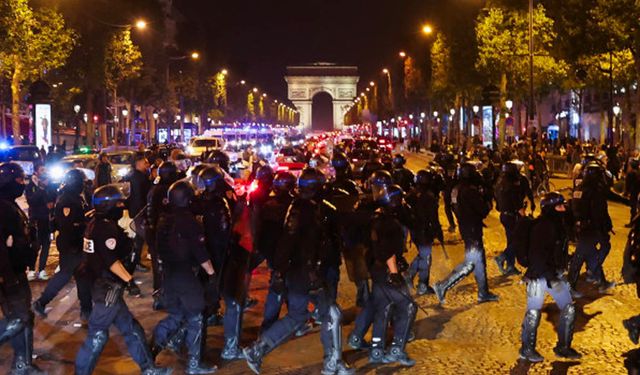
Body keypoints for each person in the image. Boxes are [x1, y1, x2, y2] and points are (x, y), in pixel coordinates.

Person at [243, 168, 354, 375]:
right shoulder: (310, 212)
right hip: (307, 274)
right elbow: (302, 245)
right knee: (332, 314)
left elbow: (287, 244)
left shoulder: (298, 208)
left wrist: (279, 272)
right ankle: (332, 362)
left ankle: (258, 349)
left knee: (297, 316)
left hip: (296, 274)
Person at [74, 184, 171, 375]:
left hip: (106, 286)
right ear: (109, 205)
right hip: (106, 288)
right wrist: (130, 281)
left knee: (131, 329)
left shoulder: (96, 223)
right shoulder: (105, 229)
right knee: (98, 335)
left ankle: (148, 368)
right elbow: (111, 262)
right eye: (118, 202)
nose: (121, 205)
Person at [151, 181, 217, 374]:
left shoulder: (164, 219)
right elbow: (200, 252)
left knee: (176, 316)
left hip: (168, 277)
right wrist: (212, 275)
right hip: (185, 276)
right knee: (196, 317)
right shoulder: (189, 221)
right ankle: (194, 365)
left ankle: (151, 350)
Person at [519, 192, 581, 362]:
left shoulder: (557, 226)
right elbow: (537, 256)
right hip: (538, 277)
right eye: (559, 206)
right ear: (550, 209)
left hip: (552, 275)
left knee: (569, 308)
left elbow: (555, 252)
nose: (563, 209)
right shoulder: (543, 227)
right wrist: (549, 277)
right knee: (533, 313)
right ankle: (526, 349)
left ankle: (563, 347)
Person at [0, 162, 45, 374]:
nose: (22, 184)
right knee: (19, 319)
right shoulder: (2, 207)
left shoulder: (10, 204)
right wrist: (7, 275)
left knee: (24, 317)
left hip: (17, 271)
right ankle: (21, 365)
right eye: (18, 180)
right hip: (9, 275)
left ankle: (23, 363)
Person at [366, 183, 417, 366]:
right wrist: (395, 273)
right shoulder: (390, 223)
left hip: (376, 269)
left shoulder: (375, 217)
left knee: (383, 309)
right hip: (387, 271)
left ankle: (376, 351)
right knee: (408, 307)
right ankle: (397, 349)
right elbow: (388, 251)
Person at [32, 169, 93, 322]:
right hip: (71, 244)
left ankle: (86, 309)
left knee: (82, 276)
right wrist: (83, 226)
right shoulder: (68, 200)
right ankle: (41, 302)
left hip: (75, 243)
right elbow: (67, 225)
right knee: (65, 275)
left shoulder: (74, 198)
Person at [434, 162, 499, 304]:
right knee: (471, 263)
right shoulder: (470, 190)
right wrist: (487, 202)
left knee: (479, 262)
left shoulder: (456, 189)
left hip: (465, 226)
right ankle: (443, 285)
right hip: (472, 228)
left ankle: (483, 292)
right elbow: (482, 210)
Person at [255, 171, 296, 332]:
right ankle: (273, 324)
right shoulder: (292, 206)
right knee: (282, 287)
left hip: (272, 253)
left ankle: (271, 323)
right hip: (285, 254)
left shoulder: (268, 204)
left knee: (280, 286)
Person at [568, 162, 615, 295]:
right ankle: (570, 287)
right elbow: (598, 212)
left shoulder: (580, 188)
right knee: (579, 258)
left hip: (583, 228)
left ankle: (601, 281)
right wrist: (603, 227)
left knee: (592, 255)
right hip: (590, 229)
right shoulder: (593, 191)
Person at [146, 161, 180, 309]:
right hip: (162, 233)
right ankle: (161, 296)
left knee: (160, 265)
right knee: (162, 266)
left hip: (158, 233)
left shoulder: (156, 189)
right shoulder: (165, 190)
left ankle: (162, 294)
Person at [493, 161, 535, 276]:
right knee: (518, 240)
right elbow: (518, 204)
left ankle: (510, 266)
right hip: (512, 216)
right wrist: (525, 219)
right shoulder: (512, 185)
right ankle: (502, 257)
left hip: (504, 215)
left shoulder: (500, 183)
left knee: (511, 240)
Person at [406, 169, 442, 295]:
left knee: (424, 255)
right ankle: (421, 283)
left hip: (415, 230)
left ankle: (414, 278)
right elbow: (433, 217)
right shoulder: (429, 196)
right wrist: (438, 230)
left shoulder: (411, 194)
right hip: (424, 230)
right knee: (425, 257)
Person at [25, 163, 54, 281]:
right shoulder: (31, 185)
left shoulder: (49, 185)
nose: (44, 172)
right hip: (36, 219)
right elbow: (31, 201)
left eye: (45, 170)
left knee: (46, 245)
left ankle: (42, 269)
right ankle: (31, 269)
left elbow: (52, 199)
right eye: (42, 170)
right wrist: (41, 189)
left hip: (46, 219)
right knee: (35, 245)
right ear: (36, 172)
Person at [128, 154, 152, 272]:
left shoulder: (135, 175)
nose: (147, 165)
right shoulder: (138, 177)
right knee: (140, 237)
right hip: (140, 211)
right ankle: (134, 262)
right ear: (138, 163)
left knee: (140, 237)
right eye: (145, 162)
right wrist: (144, 212)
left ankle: (135, 260)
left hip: (137, 211)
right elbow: (139, 197)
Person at [625, 158, 640, 227]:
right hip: (637, 192)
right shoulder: (638, 172)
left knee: (633, 208)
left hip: (634, 192)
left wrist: (626, 192)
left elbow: (628, 184)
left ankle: (633, 222)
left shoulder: (631, 173)